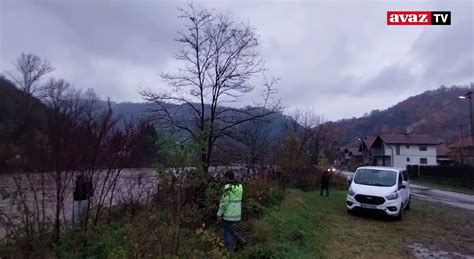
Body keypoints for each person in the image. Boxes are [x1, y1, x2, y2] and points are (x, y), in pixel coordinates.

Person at [217, 170, 246, 251]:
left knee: (226, 232)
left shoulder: (227, 188)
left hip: (228, 214)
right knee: (230, 228)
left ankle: (229, 250)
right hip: (236, 214)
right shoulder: (240, 187)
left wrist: (219, 214)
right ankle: (239, 240)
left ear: (227, 178)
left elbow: (224, 203)